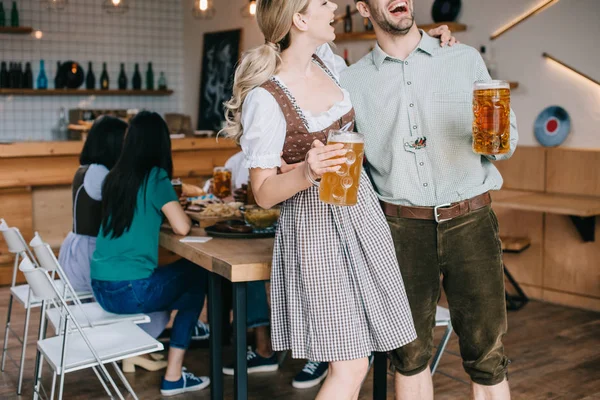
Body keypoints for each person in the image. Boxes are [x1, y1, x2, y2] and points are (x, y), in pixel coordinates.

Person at [220, 0, 453, 397]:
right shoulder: (266, 97)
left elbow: (383, 69)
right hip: (316, 233)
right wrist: (307, 171)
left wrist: (422, 43)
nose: (335, 7)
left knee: (369, 353)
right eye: (325, 3)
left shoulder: (331, 65)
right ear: (299, 18)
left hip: (363, 218)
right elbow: (261, 192)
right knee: (349, 365)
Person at [340, 1, 518, 399]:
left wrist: (496, 136)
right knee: (410, 356)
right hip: (399, 229)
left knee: (487, 355)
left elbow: (505, 144)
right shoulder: (351, 82)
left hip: (470, 219)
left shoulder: (462, 58)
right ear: (362, 8)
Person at [91, 111, 210, 396]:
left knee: (187, 289)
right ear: (161, 143)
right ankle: (174, 373)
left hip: (101, 287)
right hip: (130, 289)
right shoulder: (156, 177)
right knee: (199, 277)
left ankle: (188, 332)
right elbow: (181, 227)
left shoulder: (114, 178)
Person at [57, 116, 170, 371]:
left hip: (77, 248)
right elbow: (126, 207)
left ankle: (134, 347)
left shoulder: (86, 169)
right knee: (133, 290)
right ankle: (131, 346)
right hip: (89, 253)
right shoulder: (100, 173)